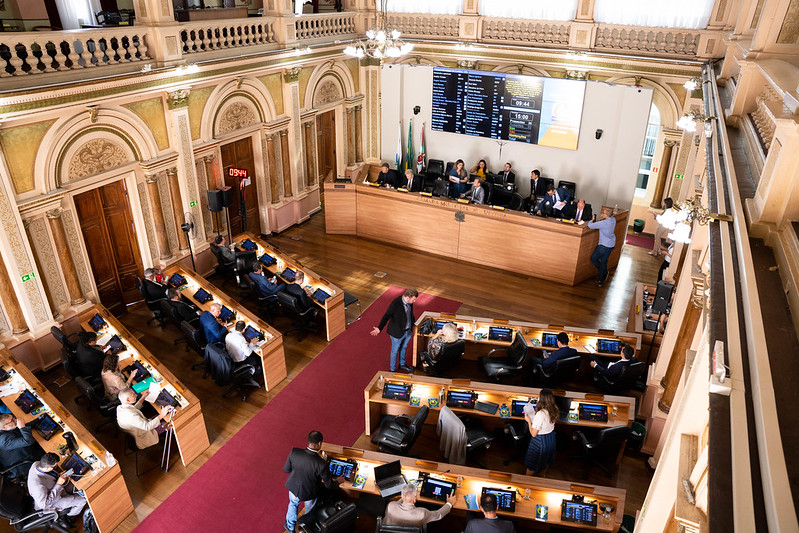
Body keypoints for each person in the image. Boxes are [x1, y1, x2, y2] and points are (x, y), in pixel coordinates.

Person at [284, 430, 339, 533]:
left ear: (308, 441)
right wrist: (338, 482)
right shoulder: (321, 464)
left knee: (293, 504)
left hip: (293, 488)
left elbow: (286, 469)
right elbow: (329, 484)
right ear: (319, 443)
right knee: (310, 510)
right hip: (309, 493)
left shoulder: (294, 452)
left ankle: (290, 528)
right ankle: (306, 526)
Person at [27, 453, 87, 529]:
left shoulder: (37, 464)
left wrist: (58, 475)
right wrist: (58, 484)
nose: (55, 467)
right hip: (50, 503)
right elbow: (45, 505)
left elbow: (48, 477)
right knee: (83, 500)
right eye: (54, 466)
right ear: (47, 467)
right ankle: (68, 515)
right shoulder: (38, 487)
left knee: (77, 484)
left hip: (52, 488)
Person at [370, 288, 418, 373]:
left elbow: (410, 313)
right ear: (407, 298)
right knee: (395, 351)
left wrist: (413, 323)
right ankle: (392, 370)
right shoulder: (395, 304)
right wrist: (379, 328)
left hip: (407, 331)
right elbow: (386, 316)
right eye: (413, 300)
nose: (414, 301)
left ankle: (402, 364)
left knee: (404, 347)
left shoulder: (409, 302)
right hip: (397, 332)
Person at [384, 483, 456, 526]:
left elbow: (398, 503)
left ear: (402, 496)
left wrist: (406, 495)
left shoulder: (391, 506)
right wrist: (449, 503)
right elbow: (438, 515)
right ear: (415, 499)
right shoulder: (422, 513)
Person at [524, 388, 558, 476]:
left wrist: (529, 421)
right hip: (550, 438)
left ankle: (527, 482)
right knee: (544, 461)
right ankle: (542, 478)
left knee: (531, 464)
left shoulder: (540, 414)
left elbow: (533, 434)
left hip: (540, 441)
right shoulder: (554, 409)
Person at [0, 413, 44, 478]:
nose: (16, 420)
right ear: (3, 427)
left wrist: (39, 418)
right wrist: (22, 427)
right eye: (12, 420)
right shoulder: (4, 441)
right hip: (22, 464)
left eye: (14, 417)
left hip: (23, 450)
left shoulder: (7, 428)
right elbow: (28, 441)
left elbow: (21, 428)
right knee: (47, 448)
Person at [588, 207, 617, 286]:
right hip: (611, 244)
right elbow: (605, 221)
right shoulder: (613, 220)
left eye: (603, 213)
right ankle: (601, 279)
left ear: (606, 215)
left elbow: (590, 225)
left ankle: (603, 272)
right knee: (604, 261)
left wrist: (592, 219)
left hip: (603, 246)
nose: (601, 214)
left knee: (593, 258)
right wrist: (602, 218)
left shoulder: (604, 223)